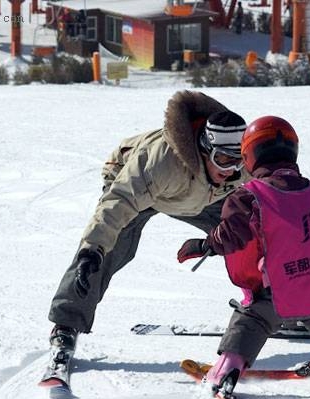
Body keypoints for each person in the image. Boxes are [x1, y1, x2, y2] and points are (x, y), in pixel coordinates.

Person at [177, 116, 310, 397]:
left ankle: (225, 371)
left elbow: (232, 234)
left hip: (274, 295)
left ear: (248, 156)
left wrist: (203, 244)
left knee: (252, 321)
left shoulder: (249, 196)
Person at [46, 91, 250, 370]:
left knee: (252, 232)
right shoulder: (161, 161)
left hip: (201, 196)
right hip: (138, 190)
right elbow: (119, 203)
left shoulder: (239, 165)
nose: (233, 170)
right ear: (205, 148)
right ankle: (66, 324)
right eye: (225, 160)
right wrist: (91, 249)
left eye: (239, 161)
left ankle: (275, 305)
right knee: (110, 249)